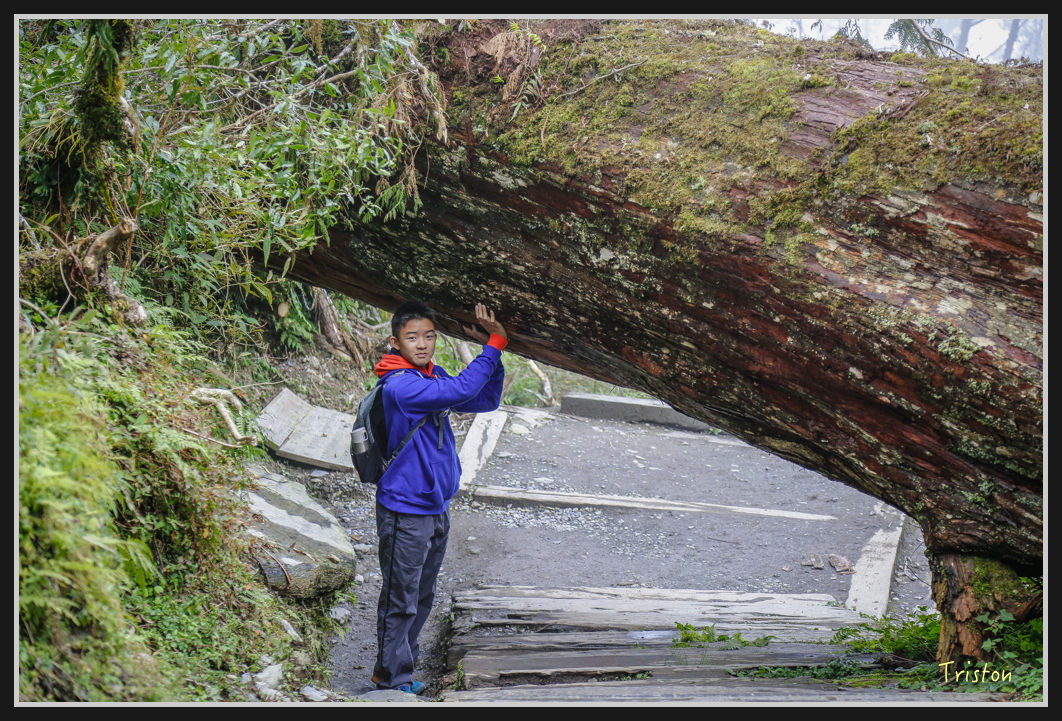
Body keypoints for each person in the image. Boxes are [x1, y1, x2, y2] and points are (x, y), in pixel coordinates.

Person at [370, 300, 507, 694]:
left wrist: (494, 360)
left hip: (434, 506)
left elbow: (482, 400)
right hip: (403, 510)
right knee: (401, 597)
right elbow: (464, 386)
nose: (423, 343)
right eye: (412, 337)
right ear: (395, 342)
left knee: (422, 595)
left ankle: (400, 669)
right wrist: (495, 343)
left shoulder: (431, 377)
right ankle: (390, 679)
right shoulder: (402, 385)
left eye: (429, 335)